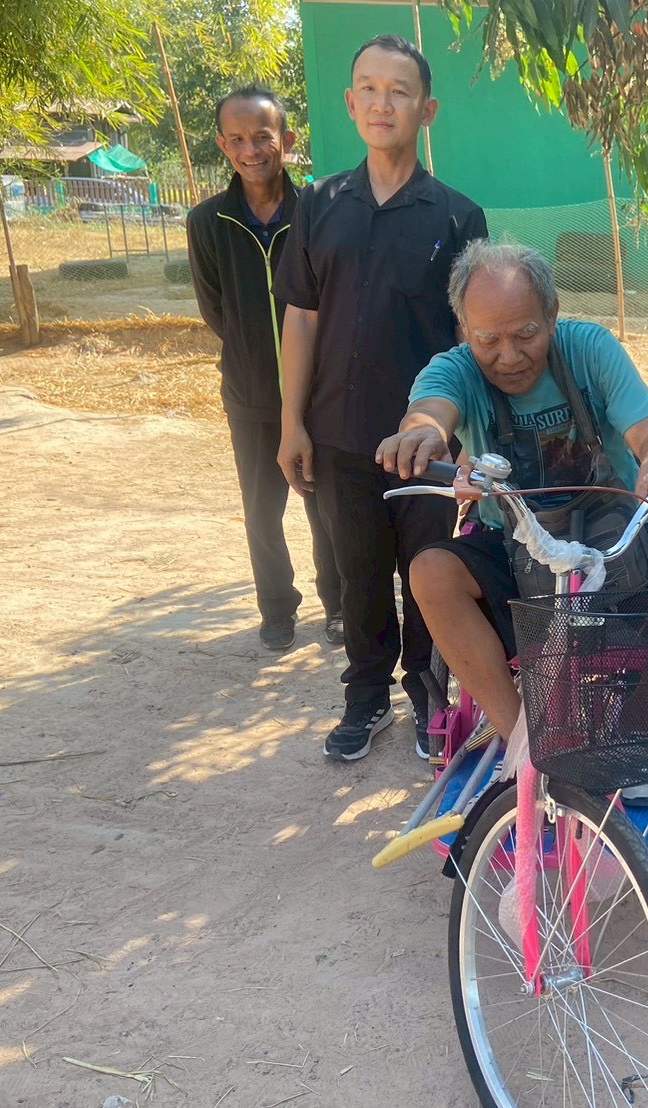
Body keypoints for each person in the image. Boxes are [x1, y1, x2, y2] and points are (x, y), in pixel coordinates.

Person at [379, 240, 648, 748]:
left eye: (526, 334)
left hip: (623, 540)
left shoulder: (591, 350)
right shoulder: (454, 370)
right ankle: (526, 740)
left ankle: (636, 718)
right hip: (517, 557)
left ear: (552, 315)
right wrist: (423, 434)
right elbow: (430, 411)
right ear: (464, 330)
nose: (509, 357)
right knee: (430, 572)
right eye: (487, 339)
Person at [274, 36, 488, 762]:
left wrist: (469, 444)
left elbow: (470, 340)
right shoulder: (318, 204)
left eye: (399, 90)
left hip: (427, 443)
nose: (381, 102)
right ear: (349, 103)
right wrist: (291, 424)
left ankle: (429, 697)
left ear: (426, 110)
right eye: (368, 87)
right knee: (358, 576)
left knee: (427, 571)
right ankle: (365, 697)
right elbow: (302, 318)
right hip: (338, 433)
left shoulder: (457, 217)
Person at [187, 85, 341, 652]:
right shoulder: (208, 222)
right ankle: (276, 609)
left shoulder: (319, 213)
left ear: (287, 140)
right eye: (238, 139)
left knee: (327, 508)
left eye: (262, 137)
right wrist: (255, 359)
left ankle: (339, 605)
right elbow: (215, 310)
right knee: (261, 510)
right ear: (223, 146)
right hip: (250, 397)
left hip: (321, 395)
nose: (251, 150)